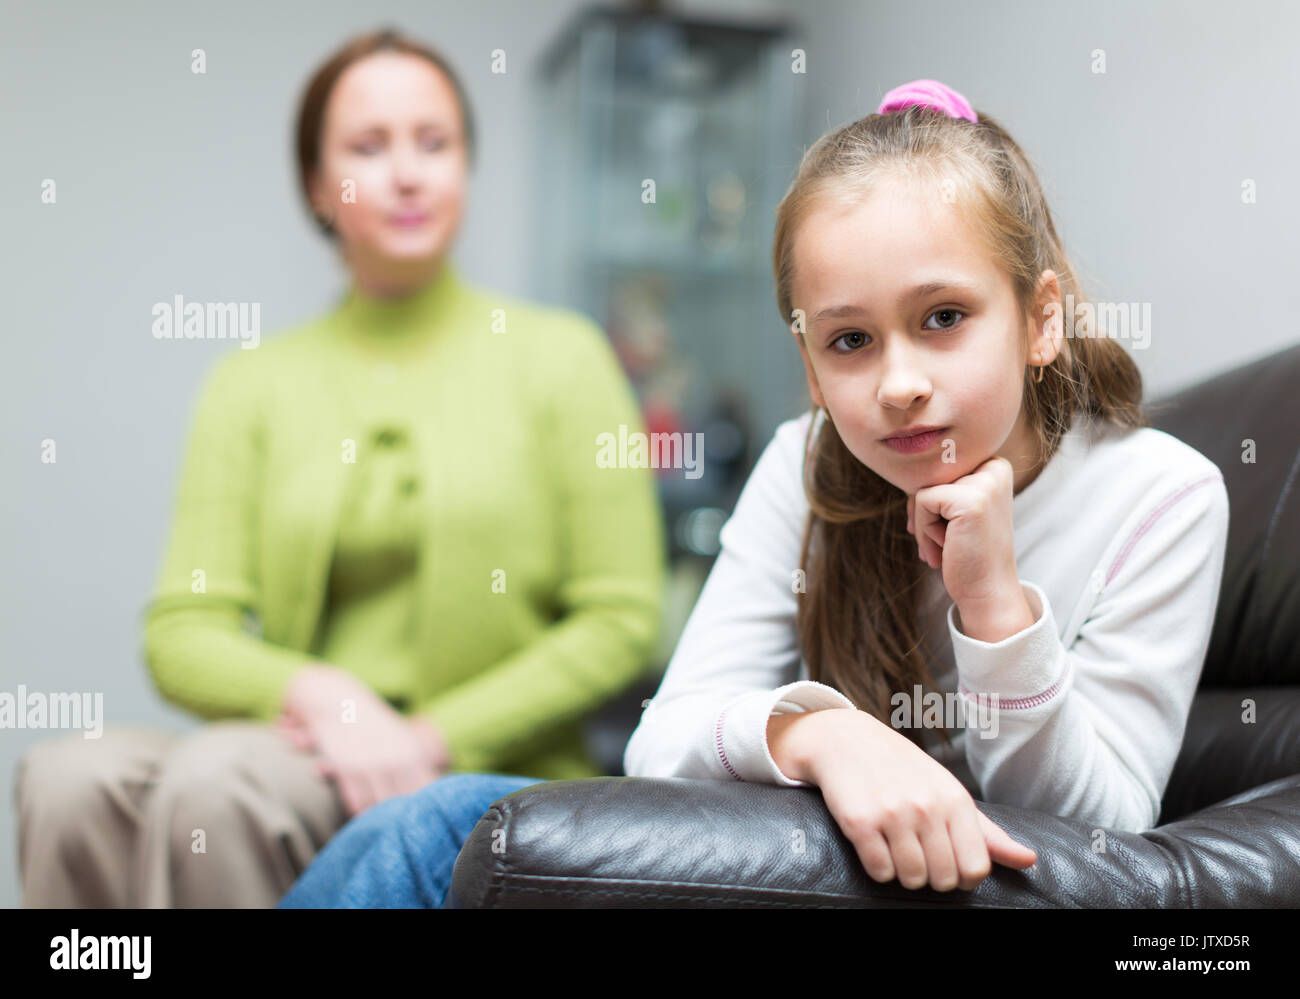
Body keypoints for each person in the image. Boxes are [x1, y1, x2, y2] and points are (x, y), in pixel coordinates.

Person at [276, 79, 1230, 907]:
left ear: (1041, 318)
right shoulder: (805, 461)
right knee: (424, 832)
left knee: (435, 824)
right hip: (805, 862)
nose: (897, 382)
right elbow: (665, 739)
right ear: (812, 371)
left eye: (944, 318)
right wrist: (819, 734)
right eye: (849, 341)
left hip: (963, 885)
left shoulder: (1164, 497)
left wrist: (995, 608)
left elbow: (1095, 842)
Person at [12, 27, 666, 908]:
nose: (407, 172)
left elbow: (621, 618)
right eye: (368, 145)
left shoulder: (562, 358)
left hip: (482, 771)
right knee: (68, 775)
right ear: (319, 187)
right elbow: (181, 629)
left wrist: (427, 735)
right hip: (302, 750)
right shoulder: (252, 382)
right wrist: (321, 694)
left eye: (435, 144)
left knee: (218, 779)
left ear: (466, 168)